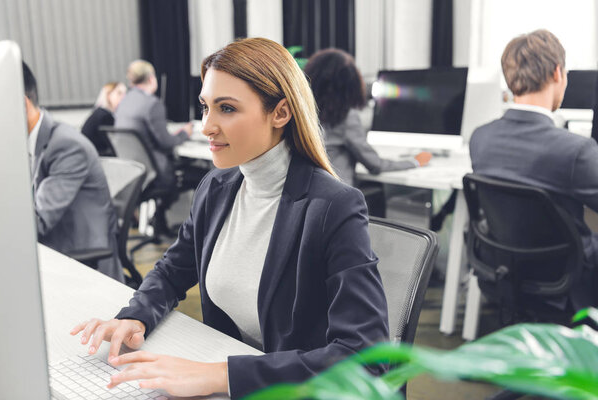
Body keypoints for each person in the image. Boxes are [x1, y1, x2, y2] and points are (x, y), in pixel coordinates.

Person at [70, 38, 389, 399]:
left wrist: (223, 375)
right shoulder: (217, 187)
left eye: (227, 109)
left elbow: (366, 358)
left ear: (281, 113)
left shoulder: (334, 206)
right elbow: (174, 270)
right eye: (206, 107)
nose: (207, 126)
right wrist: (135, 314)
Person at [469, 29, 598, 308]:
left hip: (508, 269)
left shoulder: (480, 138)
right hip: (568, 276)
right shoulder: (576, 151)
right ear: (557, 74)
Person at [23, 62, 124, 283]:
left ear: (21, 103)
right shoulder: (31, 141)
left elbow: (36, 222)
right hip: (56, 243)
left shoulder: (65, 145)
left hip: (81, 256)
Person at [304, 48, 432, 187]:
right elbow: (375, 165)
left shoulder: (304, 113)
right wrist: (414, 162)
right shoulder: (344, 117)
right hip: (338, 198)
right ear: (349, 84)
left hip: (309, 196)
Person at [115, 60, 194, 234]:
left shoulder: (124, 103)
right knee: (200, 175)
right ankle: (184, 227)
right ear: (151, 78)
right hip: (156, 175)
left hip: (133, 172)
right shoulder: (152, 104)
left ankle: (160, 221)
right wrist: (185, 133)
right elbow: (166, 142)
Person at [81, 81, 127, 156]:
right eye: (119, 93)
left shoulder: (99, 112)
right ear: (108, 95)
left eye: (125, 93)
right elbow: (112, 144)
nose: (123, 97)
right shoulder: (105, 116)